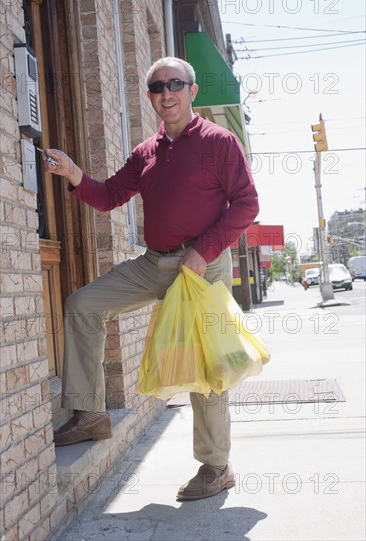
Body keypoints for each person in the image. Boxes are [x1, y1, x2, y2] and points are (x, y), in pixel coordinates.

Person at [43, 57, 259, 501]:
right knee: (83, 305)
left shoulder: (220, 142)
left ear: (192, 91)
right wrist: (73, 174)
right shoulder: (146, 152)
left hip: (200, 268)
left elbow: (246, 204)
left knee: (206, 367)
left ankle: (216, 466)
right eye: (157, 87)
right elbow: (108, 196)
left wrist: (203, 252)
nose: (166, 93)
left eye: (175, 84)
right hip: (154, 263)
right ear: (150, 97)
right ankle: (88, 413)